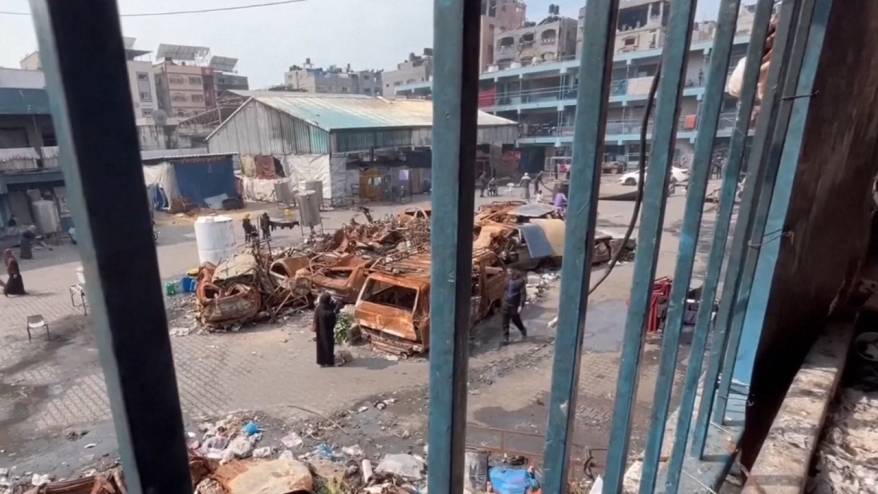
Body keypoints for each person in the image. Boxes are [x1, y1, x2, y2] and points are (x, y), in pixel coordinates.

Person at [501, 270, 527, 344]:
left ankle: (522, 329)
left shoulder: (521, 281)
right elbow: (505, 290)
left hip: (514, 304)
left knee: (515, 319)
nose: (508, 272)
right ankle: (506, 338)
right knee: (505, 321)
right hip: (506, 303)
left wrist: (521, 305)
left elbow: (523, 294)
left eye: (510, 271)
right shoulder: (507, 279)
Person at [313, 293, 338, 367]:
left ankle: (321, 361)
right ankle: (329, 362)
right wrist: (335, 311)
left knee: (320, 347)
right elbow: (333, 321)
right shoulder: (329, 313)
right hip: (328, 332)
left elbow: (315, 318)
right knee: (329, 346)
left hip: (320, 332)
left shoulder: (318, 308)